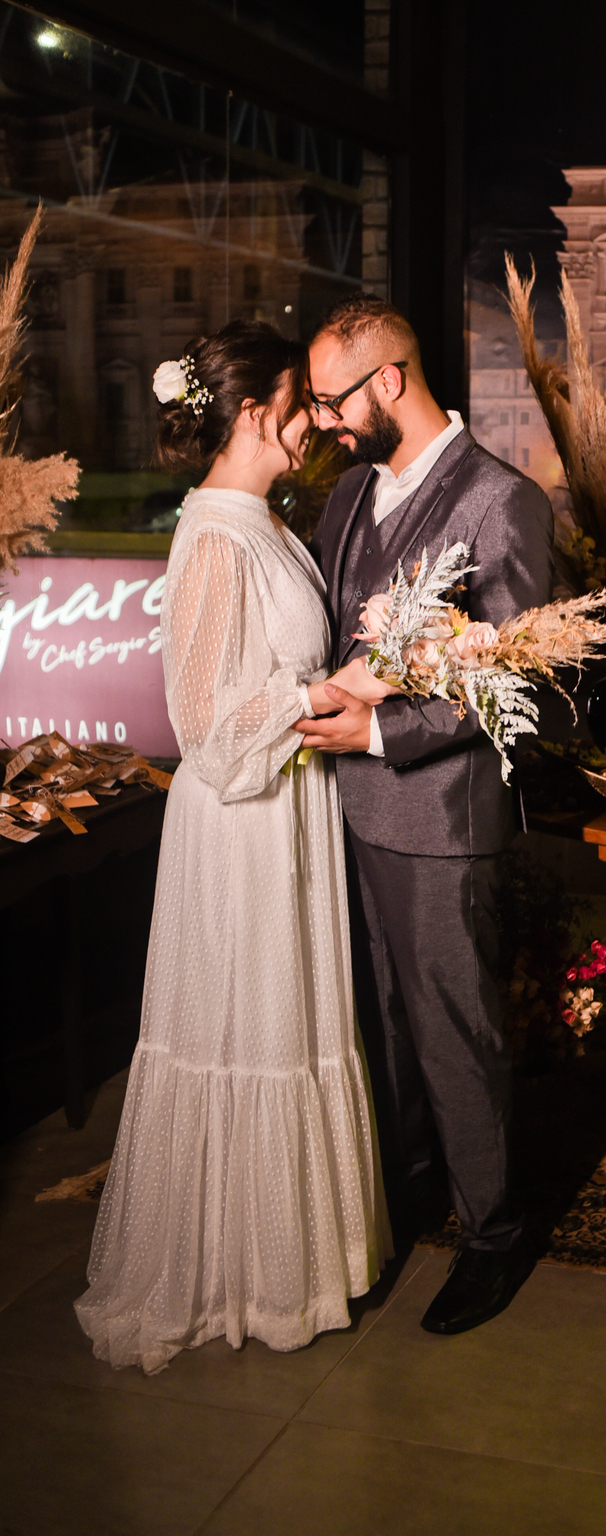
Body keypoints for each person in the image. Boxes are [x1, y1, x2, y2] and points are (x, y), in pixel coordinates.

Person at [75, 323, 390, 1375]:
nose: (316, 419)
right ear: (254, 413)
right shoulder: (214, 532)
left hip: (287, 809)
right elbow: (206, 724)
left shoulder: (260, 519)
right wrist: (322, 691)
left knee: (288, 1025)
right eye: (301, 401)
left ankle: (291, 1259)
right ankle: (237, 1270)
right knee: (246, 1032)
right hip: (243, 824)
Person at [297, 294, 554, 1337]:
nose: (321, 421)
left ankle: (494, 1237)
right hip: (340, 820)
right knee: (382, 1034)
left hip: (444, 823)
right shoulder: (348, 495)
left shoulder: (503, 501)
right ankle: (403, 1208)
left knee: (456, 1036)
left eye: (330, 399)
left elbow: (522, 688)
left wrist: (381, 735)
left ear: (388, 380)